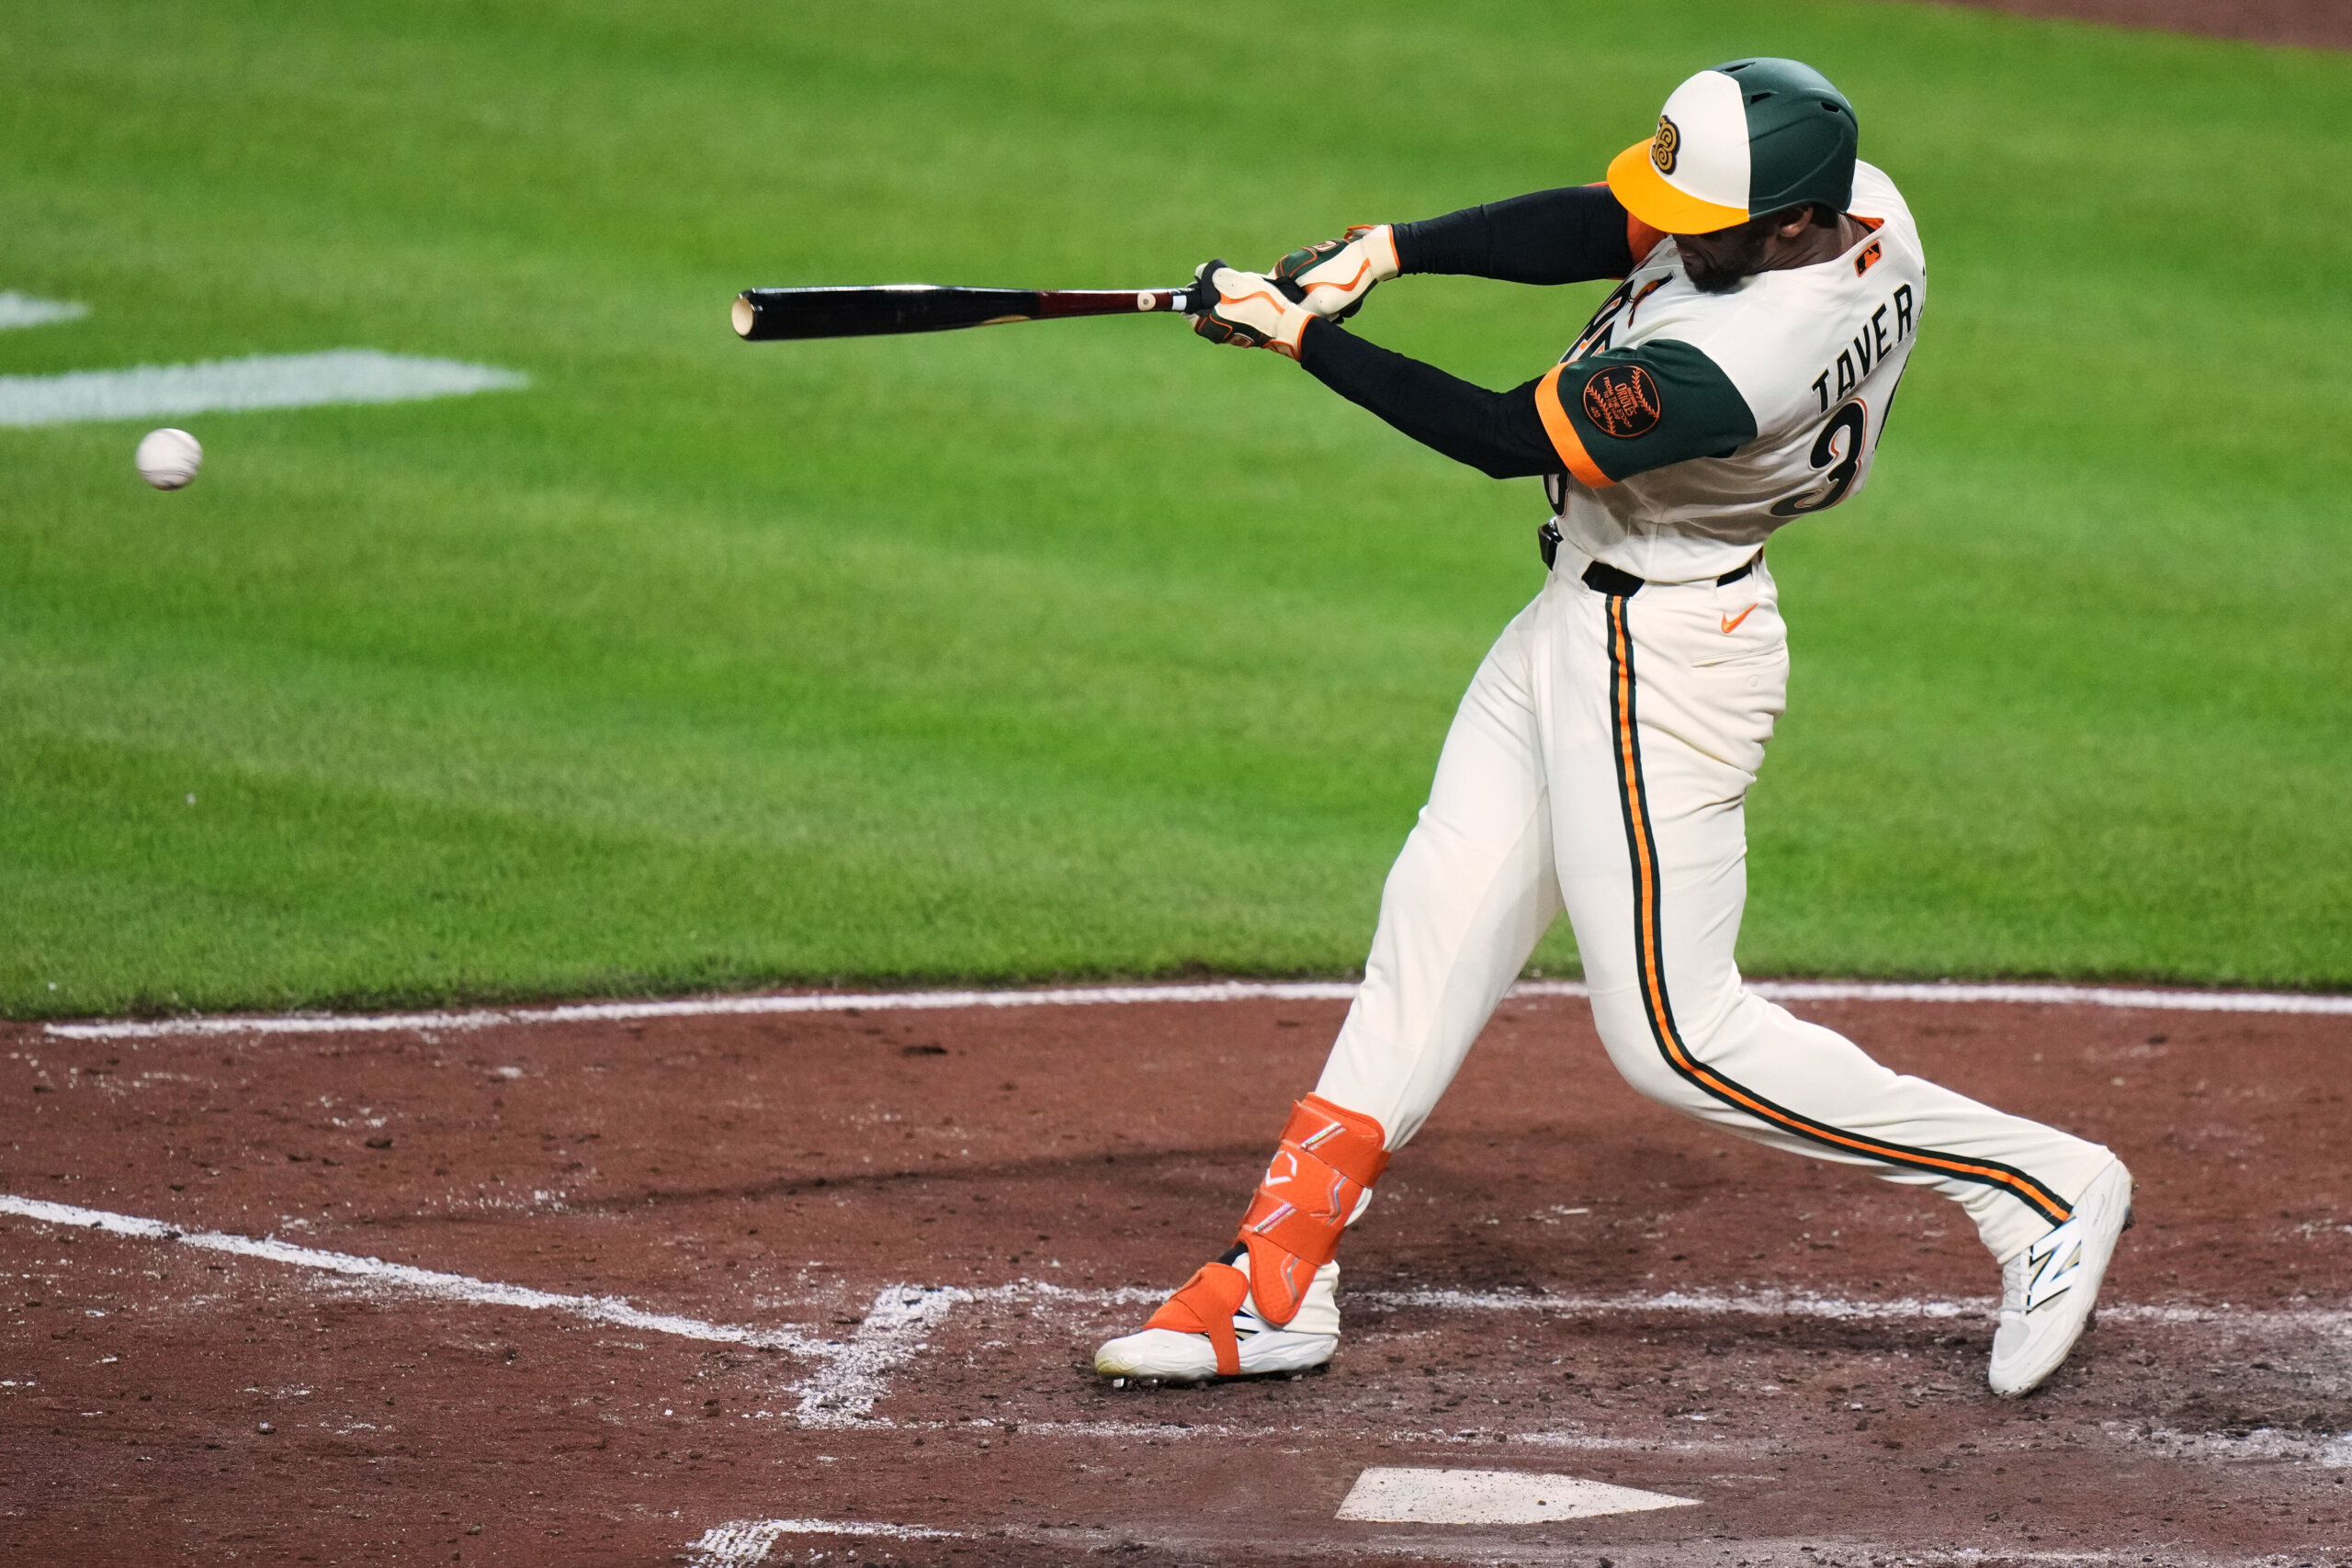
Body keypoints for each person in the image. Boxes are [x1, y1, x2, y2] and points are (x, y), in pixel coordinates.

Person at [1093, 58, 2132, 1399]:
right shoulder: (1860, 203)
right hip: (1578, 620)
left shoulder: (1740, 361)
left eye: (1706, 226)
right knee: (1436, 924)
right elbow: (1613, 220)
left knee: (1676, 1038)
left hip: (1664, 663)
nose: (1671, 237)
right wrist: (1388, 251)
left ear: (1790, 227)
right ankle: (1276, 1276)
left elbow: (1497, 433)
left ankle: (2040, 1186)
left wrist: (1303, 338)